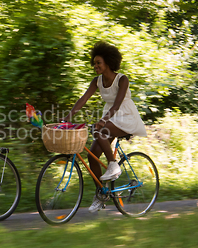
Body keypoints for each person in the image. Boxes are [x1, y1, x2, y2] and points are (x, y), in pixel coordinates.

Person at [62, 41, 147, 213]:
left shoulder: (122, 79)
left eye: (98, 63)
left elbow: (117, 104)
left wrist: (103, 121)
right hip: (110, 117)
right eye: (94, 63)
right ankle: (102, 194)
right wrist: (67, 118)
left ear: (108, 62)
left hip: (126, 116)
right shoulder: (97, 81)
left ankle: (113, 164)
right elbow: (83, 99)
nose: (95, 66)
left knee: (98, 129)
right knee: (92, 156)